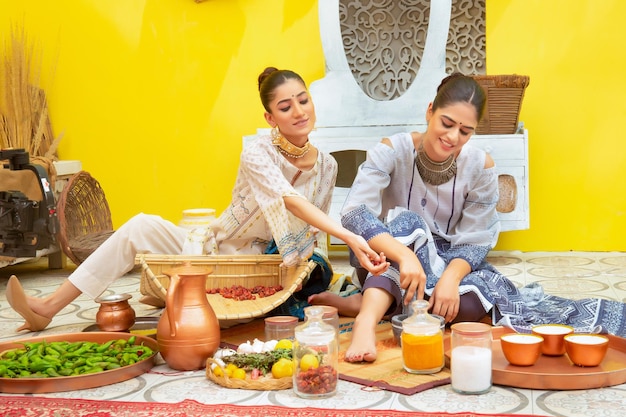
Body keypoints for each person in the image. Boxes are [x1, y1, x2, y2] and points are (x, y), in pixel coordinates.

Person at [6, 67, 389, 333]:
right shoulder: (257, 152)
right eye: (285, 107)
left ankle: (174, 293)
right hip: (216, 251)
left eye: (303, 101)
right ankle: (48, 308)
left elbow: (309, 231)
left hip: (270, 266)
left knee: (236, 316)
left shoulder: (326, 165)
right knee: (141, 225)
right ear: (270, 117)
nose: (299, 112)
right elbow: (288, 201)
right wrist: (351, 238)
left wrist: (307, 267)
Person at [310, 73, 626, 363]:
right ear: (430, 110)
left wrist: (449, 279)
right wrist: (405, 255)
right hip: (388, 259)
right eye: (446, 123)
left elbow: (475, 240)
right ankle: (366, 321)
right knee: (408, 223)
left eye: (465, 130)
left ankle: (371, 303)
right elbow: (355, 212)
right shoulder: (393, 149)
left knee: (476, 303)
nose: (453, 137)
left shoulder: (481, 166)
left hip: (445, 262)